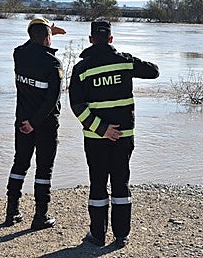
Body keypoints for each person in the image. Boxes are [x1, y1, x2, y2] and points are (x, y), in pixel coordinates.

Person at [68, 21, 159, 248]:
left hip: (95, 137)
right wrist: (126, 59)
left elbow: (77, 105)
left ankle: (97, 235)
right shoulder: (125, 61)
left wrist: (101, 129)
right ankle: (121, 235)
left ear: (90, 39)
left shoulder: (81, 69)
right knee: (121, 183)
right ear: (111, 39)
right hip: (123, 136)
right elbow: (154, 71)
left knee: (98, 184)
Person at [5, 17, 66, 230]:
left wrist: (45, 31)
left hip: (22, 121)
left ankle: (11, 211)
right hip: (45, 124)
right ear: (48, 37)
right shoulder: (53, 63)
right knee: (44, 169)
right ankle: (40, 216)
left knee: (20, 163)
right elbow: (52, 100)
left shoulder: (19, 55)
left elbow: (28, 44)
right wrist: (34, 123)